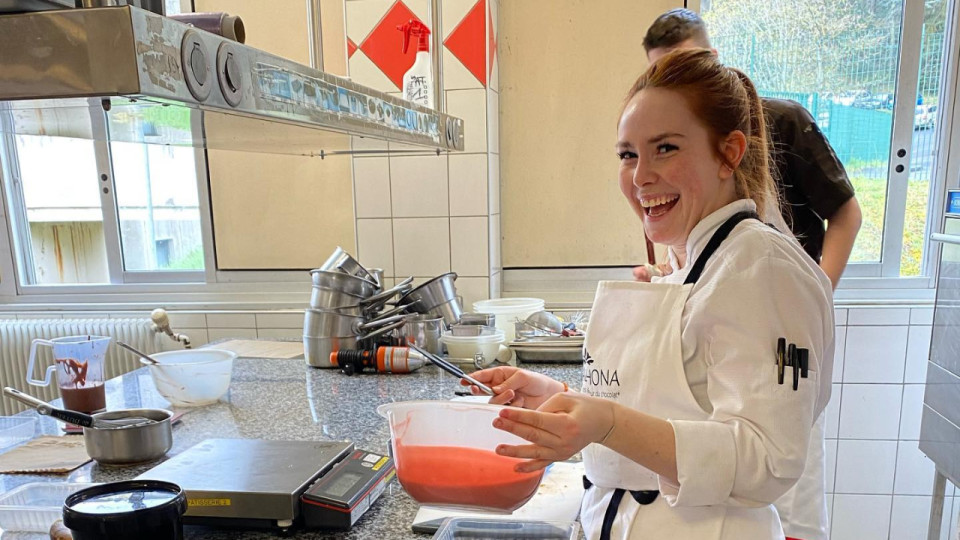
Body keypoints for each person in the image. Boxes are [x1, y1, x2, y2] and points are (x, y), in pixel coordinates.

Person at [466, 49, 835, 540]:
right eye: (628, 154)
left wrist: (607, 422)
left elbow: (768, 459)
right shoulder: (689, 263)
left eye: (665, 148)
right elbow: (672, 409)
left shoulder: (762, 269)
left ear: (729, 153)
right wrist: (565, 403)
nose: (641, 176)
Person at [637, 8, 861, 290]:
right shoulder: (675, 145)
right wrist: (669, 272)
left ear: (713, 59)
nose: (677, 86)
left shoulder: (785, 121)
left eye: (688, 68)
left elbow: (846, 214)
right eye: (664, 75)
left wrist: (819, 292)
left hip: (787, 293)